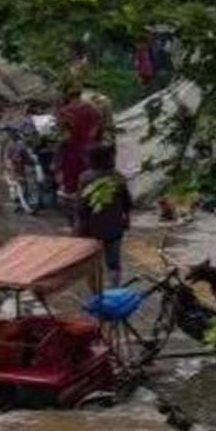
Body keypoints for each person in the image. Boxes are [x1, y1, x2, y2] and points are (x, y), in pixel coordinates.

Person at [75, 143, 132, 286]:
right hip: (114, 228)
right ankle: (114, 289)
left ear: (92, 159)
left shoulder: (85, 178)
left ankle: (96, 293)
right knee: (113, 263)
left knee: (92, 262)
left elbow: (82, 206)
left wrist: (78, 227)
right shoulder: (118, 177)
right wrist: (125, 218)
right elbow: (128, 203)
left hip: (90, 229)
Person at [54, 83, 102, 225]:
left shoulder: (64, 112)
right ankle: (92, 211)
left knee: (72, 185)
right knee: (90, 180)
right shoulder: (92, 109)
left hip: (71, 152)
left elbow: (62, 136)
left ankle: (75, 219)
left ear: (68, 96)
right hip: (90, 151)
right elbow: (98, 125)